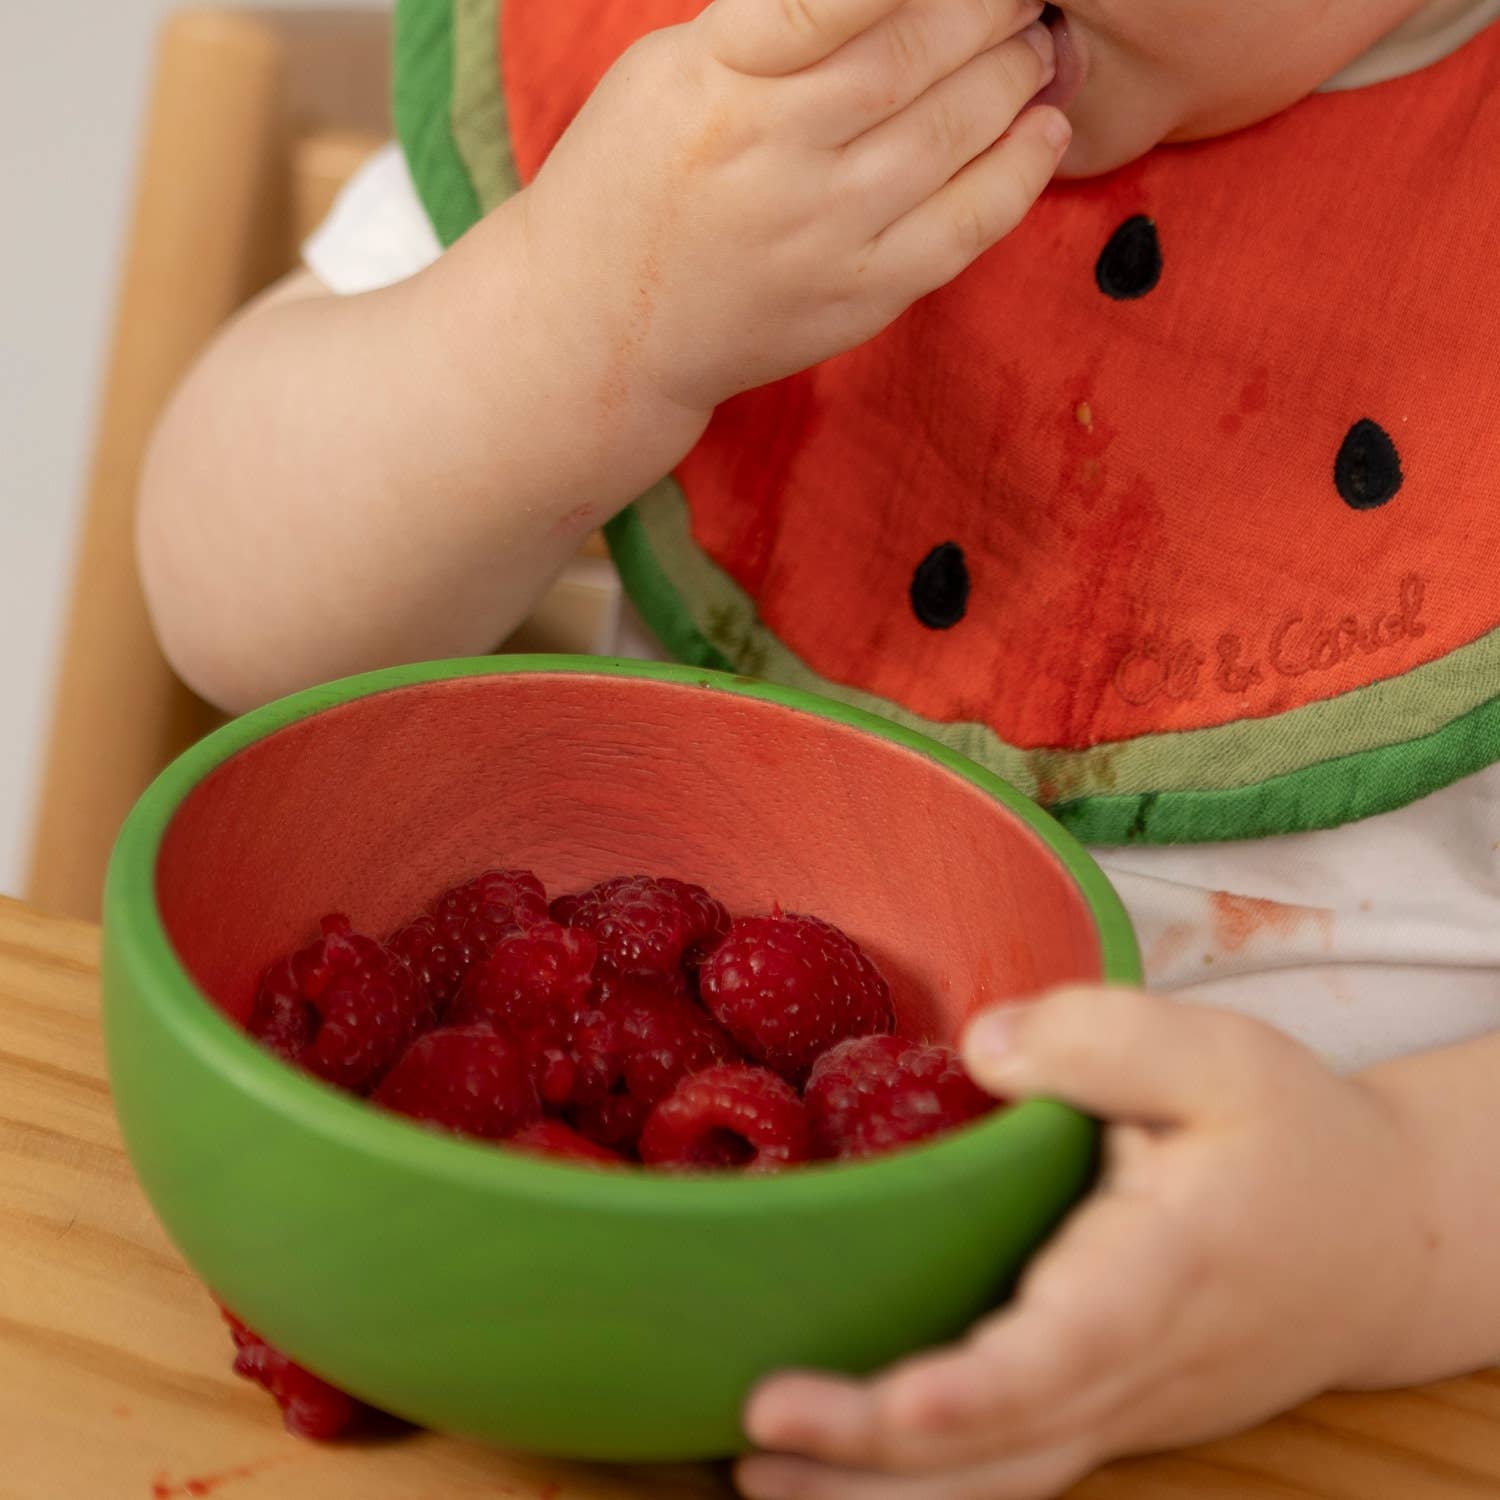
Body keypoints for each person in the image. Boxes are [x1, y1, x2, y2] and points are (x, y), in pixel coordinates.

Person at [137, 1, 1500, 1494]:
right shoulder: (743, 72)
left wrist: (1392, 1225)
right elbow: (232, 608)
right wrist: (573, 318)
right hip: (590, 1331)